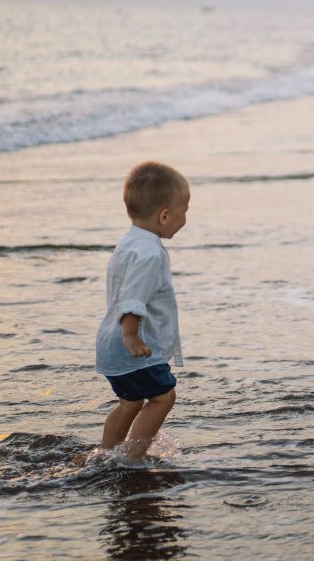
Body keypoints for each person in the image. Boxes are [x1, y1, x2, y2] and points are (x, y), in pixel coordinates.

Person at [95, 161, 190, 460]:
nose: (185, 218)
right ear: (164, 215)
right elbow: (133, 298)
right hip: (134, 347)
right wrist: (132, 336)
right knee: (164, 397)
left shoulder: (129, 241)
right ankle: (131, 457)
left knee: (130, 402)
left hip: (110, 345)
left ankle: (106, 453)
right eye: (183, 211)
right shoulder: (150, 253)